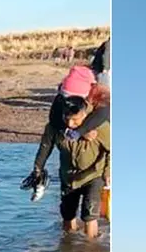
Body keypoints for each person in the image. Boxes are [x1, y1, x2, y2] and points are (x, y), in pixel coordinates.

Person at [30, 66, 110, 239]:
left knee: (89, 214)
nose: (71, 122)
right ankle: (69, 247)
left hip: (93, 174)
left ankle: (90, 250)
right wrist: (37, 170)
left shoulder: (100, 118)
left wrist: (108, 172)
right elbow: (45, 147)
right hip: (68, 176)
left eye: (76, 119)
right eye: (68, 118)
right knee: (67, 214)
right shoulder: (58, 117)